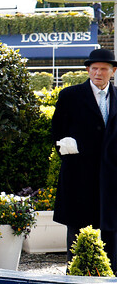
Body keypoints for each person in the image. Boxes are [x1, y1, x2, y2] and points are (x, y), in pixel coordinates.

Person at [52, 48, 117, 263]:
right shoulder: (70, 96)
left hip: (113, 177)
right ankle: (76, 278)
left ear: (113, 71)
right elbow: (57, 132)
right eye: (94, 68)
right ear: (88, 70)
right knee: (78, 229)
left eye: (103, 69)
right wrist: (72, 156)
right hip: (79, 175)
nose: (98, 73)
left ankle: (111, 280)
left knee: (112, 230)